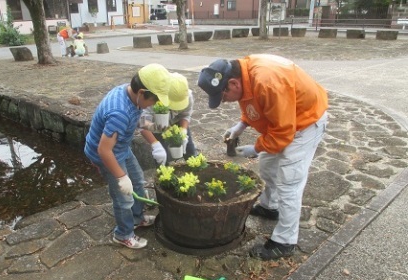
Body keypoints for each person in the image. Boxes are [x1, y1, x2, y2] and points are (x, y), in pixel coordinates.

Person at [198, 54, 328, 260]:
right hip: (285, 122)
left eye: (223, 97)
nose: (224, 102)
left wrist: (257, 147)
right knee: (268, 166)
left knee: (289, 182)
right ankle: (270, 207)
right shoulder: (244, 75)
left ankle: (285, 241)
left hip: (304, 123)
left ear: (232, 83)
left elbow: (283, 132)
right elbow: (252, 102)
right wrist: (242, 124)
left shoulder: (268, 82)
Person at [84, 63, 171, 249]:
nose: (154, 104)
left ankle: (137, 219)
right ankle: (123, 234)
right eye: (153, 100)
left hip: (121, 147)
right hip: (107, 154)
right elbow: (103, 150)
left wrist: (155, 142)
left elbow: (139, 120)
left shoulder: (131, 95)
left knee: (138, 182)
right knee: (124, 198)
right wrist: (121, 177)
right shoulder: (119, 113)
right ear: (141, 92)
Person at [140, 72, 197, 164]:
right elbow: (142, 122)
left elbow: (185, 115)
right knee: (163, 158)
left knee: (190, 151)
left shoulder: (187, 96)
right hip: (155, 126)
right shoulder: (151, 99)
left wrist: (183, 130)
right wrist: (155, 145)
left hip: (177, 122)